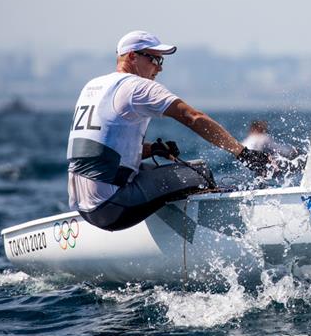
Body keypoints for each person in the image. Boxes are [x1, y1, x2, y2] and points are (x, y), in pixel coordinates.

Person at [66, 30, 271, 231]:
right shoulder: (138, 87)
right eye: (155, 59)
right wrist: (242, 153)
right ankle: (220, 231)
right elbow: (194, 118)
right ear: (132, 57)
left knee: (159, 173)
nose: (159, 68)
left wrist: (152, 149)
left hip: (83, 207)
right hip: (112, 207)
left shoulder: (92, 86)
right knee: (198, 172)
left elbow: (102, 149)